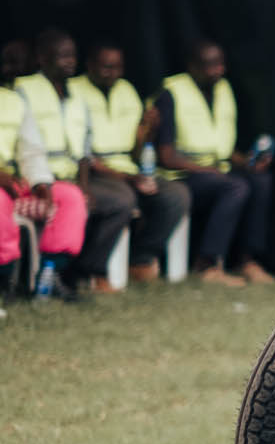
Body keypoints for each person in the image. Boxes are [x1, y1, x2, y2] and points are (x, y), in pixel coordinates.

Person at [16, 30, 136, 293]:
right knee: (74, 202)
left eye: (72, 55)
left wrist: (85, 187)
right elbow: (23, 146)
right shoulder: (24, 90)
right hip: (37, 179)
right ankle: (53, 273)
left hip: (71, 178)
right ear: (41, 59)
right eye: (61, 56)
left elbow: (84, 150)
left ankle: (85, 270)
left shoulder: (77, 98)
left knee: (121, 201)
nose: (69, 61)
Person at [154, 40, 275, 286]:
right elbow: (166, 157)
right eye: (209, 65)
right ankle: (207, 264)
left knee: (260, 181)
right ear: (192, 66)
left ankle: (248, 260)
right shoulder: (171, 93)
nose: (217, 70)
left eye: (220, 64)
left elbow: (223, 148)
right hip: (181, 176)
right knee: (234, 186)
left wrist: (248, 162)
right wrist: (207, 170)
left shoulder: (223, 90)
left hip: (216, 171)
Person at [76, 42, 191, 285]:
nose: (113, 73)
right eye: (106, 67)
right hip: (93, 171)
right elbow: (84, 154)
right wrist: (128, 178)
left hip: (128, 168)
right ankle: (94, 271)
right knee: (122, 198)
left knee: (176, 194)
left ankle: (140, 258)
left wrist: (147, 131)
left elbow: (137, 151)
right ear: (90, 65)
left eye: (118, 67)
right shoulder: (76, 91)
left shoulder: (126, 89)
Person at [1, 38, 89, 298]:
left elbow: (31, 149)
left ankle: (49, 275)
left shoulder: (13, 100)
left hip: (15, 181)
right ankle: (4, 281)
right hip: (3, 184)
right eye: (7, 63)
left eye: (15, 64)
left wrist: (41, 183)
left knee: (71, 198)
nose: (10, 69)